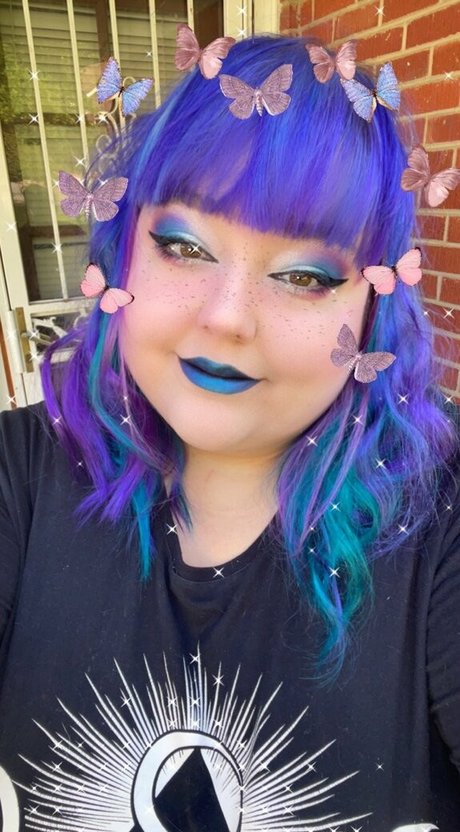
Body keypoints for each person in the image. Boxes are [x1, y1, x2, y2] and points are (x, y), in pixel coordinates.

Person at [0, 32, 459, 832]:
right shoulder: (18, 474)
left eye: (306, 275)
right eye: (184, 245)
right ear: (123, 253)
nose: (227, 317)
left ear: (374, 307)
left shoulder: (440, 514)